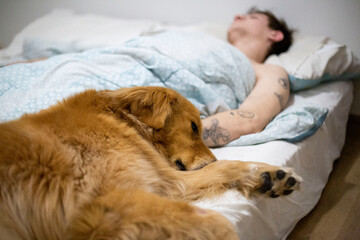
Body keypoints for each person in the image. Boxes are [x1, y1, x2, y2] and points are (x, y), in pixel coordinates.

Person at [201, 7, 294, 147]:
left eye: (253, 17)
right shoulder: (203, 44)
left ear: (275, 35)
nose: (237, 16)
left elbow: (250, 119)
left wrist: (174, 136)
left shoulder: (269, 71)